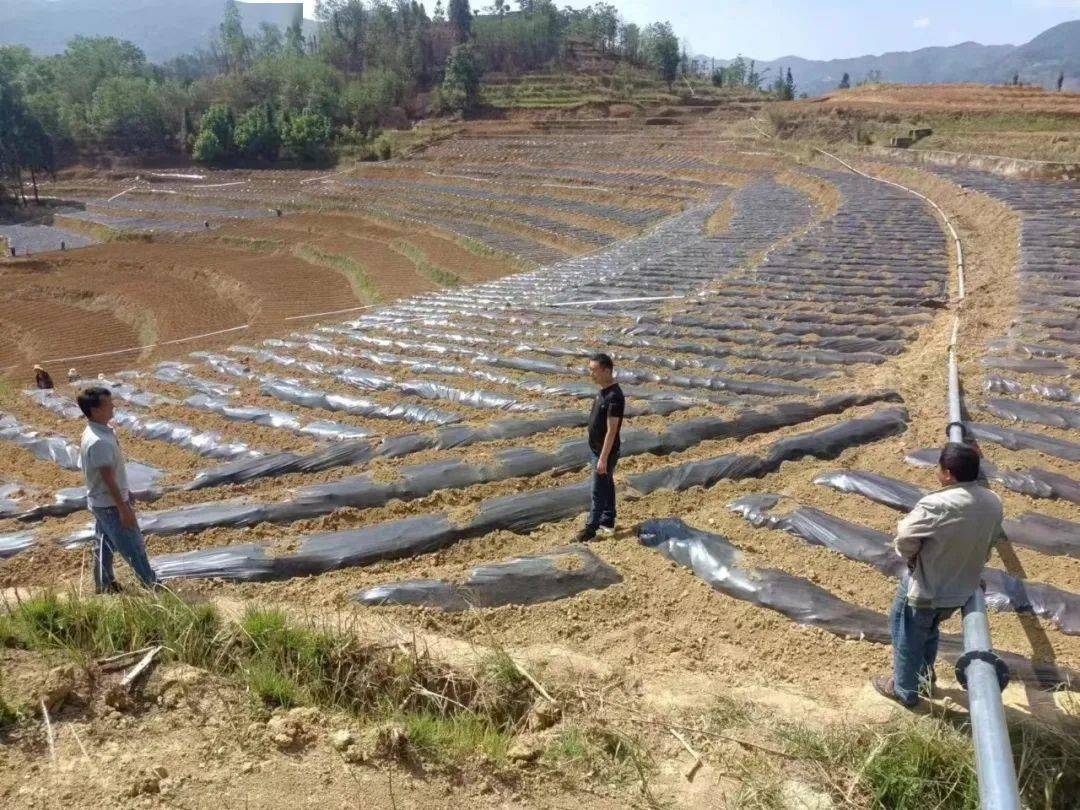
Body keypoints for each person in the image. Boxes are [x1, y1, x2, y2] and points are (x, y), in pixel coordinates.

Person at [872, 442, 1006, 708]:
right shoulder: (993, 502)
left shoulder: (937, 504)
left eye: (939, 468)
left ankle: (904, 691)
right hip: (961, 590)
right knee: (930, 631)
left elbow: (905, 538)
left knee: (906, 635)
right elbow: (991, 541)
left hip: (926, 588)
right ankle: (923, 678)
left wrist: (912, 557)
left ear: (947, 474)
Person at [77, 386, 159, 593]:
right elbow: (106, 477)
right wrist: (123, 508)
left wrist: (126, 491)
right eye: (108, 404)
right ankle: (154, 588)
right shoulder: (98, 441)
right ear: (95, 411)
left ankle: (104, 585)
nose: (113, 406)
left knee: (104, 545)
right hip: (111, 505)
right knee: (134, 547)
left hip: (99, 502)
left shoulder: (96, 431)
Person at [577, 352, 625, 541]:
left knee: (597, 491)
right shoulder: (603, 391)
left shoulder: (615, 397)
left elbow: (612, 431)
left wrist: (603, 458)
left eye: (594, 370)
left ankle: (590, 530)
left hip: (605, 452)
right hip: (597, 450)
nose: (591, 374)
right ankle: (608, 521)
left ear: (607, 371)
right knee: (607, 485)